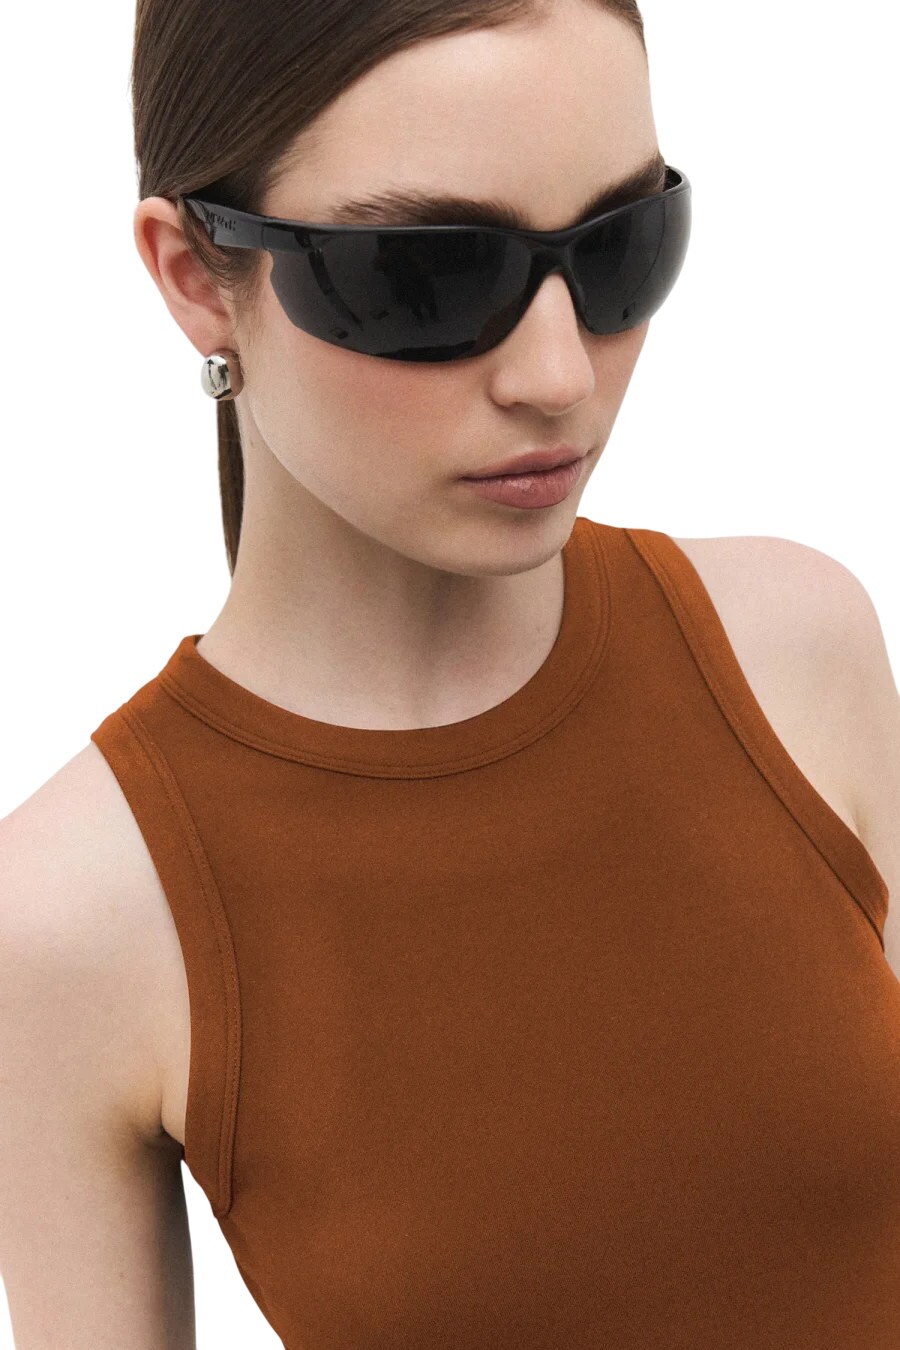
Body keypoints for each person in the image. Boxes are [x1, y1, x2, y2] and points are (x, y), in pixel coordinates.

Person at [2, 0, 899, 1345]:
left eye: (621, 244)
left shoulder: (799, 650)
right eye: (425, 276)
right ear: (194, 275)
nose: (558, 376)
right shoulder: (71, 914)